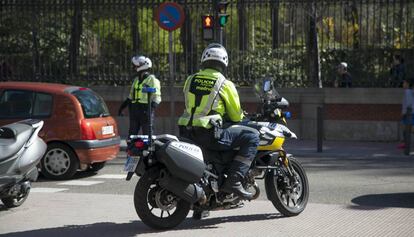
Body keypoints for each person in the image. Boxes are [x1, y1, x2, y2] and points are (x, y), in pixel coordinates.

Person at [178, 43, 260, 200]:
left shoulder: (190, 79)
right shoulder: (224, 83)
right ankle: (235, 181)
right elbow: (236, 116)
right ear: (224, 63)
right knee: (252, 136)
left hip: (187, 131)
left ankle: (205, 203)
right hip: (209, 133)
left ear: (204, 60)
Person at [118, 55, 161, 138]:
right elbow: (130, 96)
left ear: (142, 66)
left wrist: (150, 109)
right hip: (135, 110)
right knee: (131, 135)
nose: (134, 68)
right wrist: (122, 107)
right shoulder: (136, 80)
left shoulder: (152, 79)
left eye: (135, 66)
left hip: (145, 110)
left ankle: (148, 150)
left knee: (148, 136)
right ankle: (132, 150)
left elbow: (157, 98)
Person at [398, 78, 414, 149]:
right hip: (411, 112)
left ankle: (405, 143)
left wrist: (403, 113)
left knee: (406, 128)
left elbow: (408, 103)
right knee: (407, 129)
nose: (403, 84)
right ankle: (405, 143)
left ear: (407, 84)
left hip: (408, 113)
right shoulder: (411, 91)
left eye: (404, 83)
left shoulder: (407, 92)